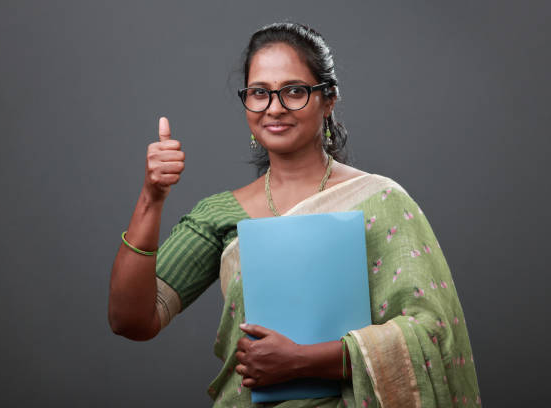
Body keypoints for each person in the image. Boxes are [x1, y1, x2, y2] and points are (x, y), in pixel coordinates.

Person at [108, 22, 481, 407]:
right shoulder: (219, 215)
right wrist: (152, 197)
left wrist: (303, 361)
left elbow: (432, 333)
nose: (274, 107)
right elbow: (131, 320)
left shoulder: (380, 201)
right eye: (259, 93)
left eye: (294, 91)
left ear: (329, 99)